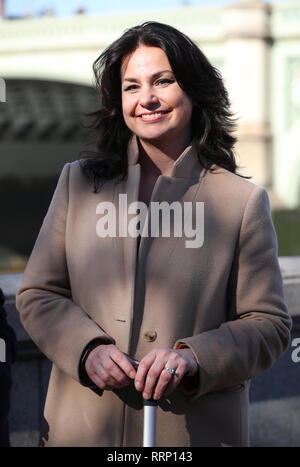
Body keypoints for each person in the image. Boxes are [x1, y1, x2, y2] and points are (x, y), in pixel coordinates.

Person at [16, 21, 291, 447]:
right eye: (131, 86)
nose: (147, 99)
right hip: (83, 432)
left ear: (194, 91)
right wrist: (87, 349)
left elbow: (269, 324)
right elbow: (37, 294)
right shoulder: (77, 183)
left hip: (191, 435)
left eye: (163, 81)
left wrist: (193, 357)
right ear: (117, 100)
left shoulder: (241, 202)